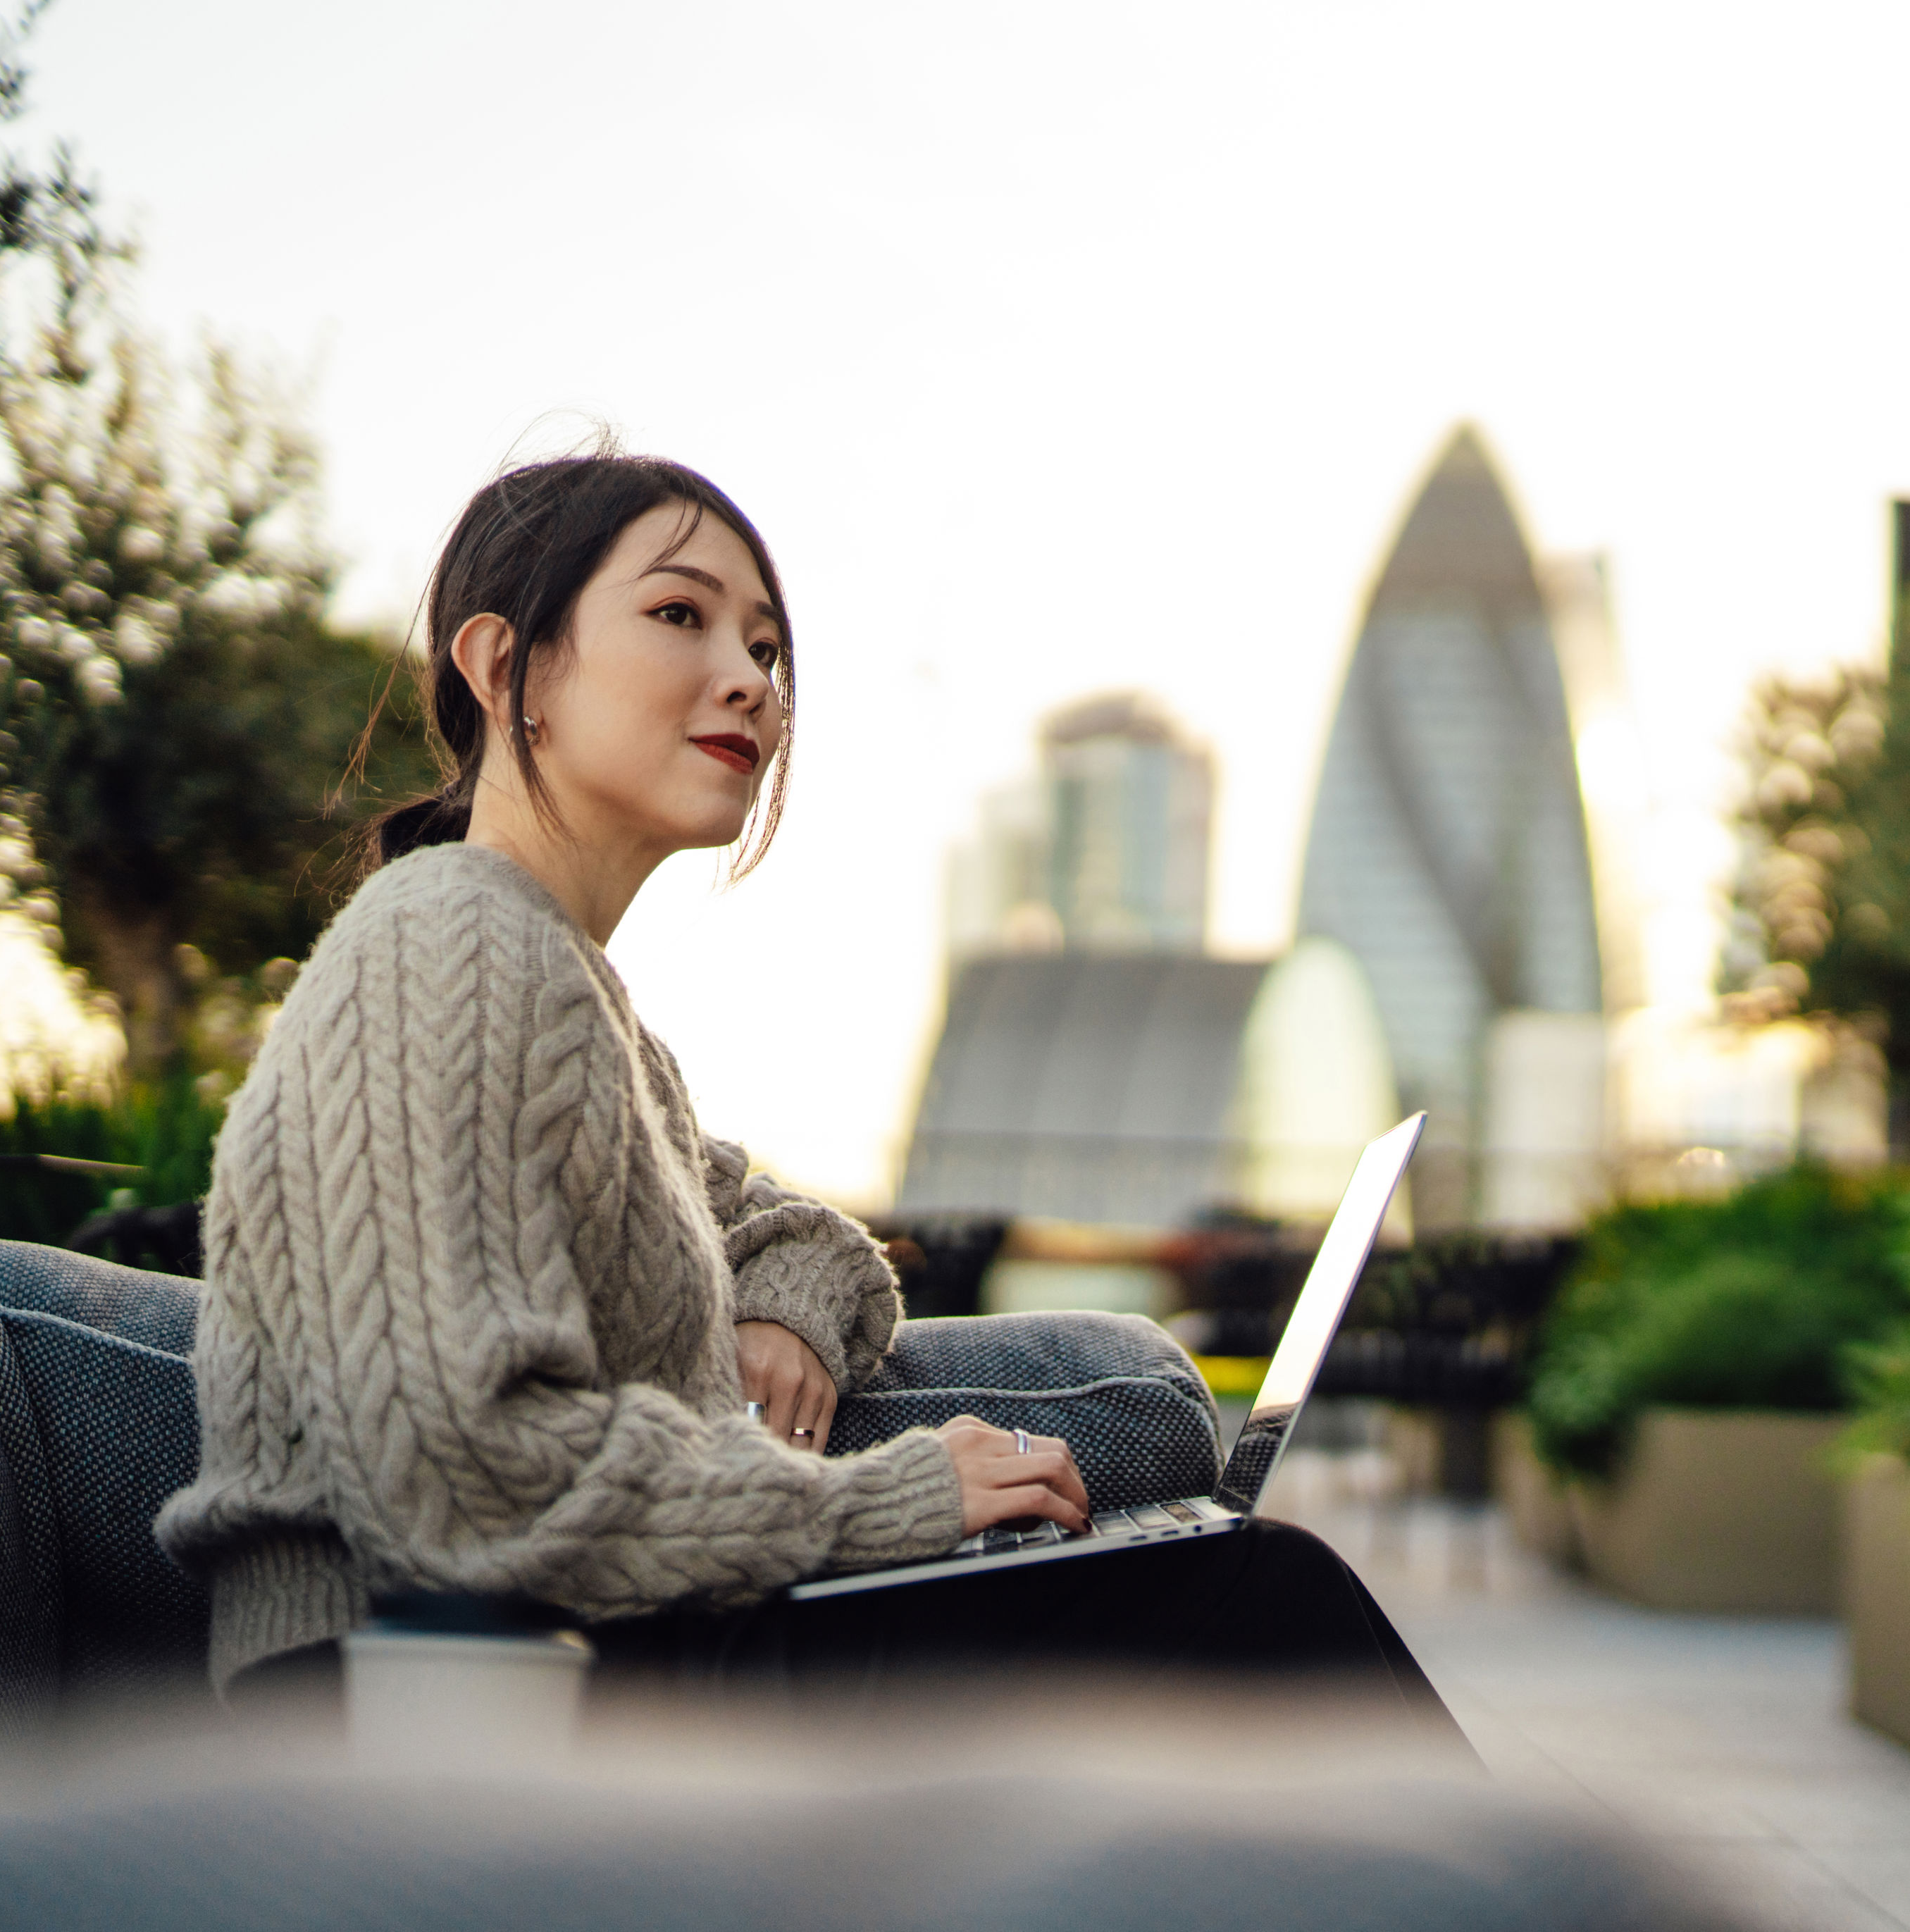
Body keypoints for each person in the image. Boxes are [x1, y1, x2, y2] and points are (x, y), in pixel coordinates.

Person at [154, 450, 1470, 1758]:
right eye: (681, 615)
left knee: (1205, 1612)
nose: (751, 681)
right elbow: (462, 1478)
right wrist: (882, 1501)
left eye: (767, 648)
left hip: (570, 1652)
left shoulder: (578, 1006)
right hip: (430, 1699)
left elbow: (809, 1238)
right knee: (1248, 1603)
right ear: (502, 670)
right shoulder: (443, 948)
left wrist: (778, 1308)